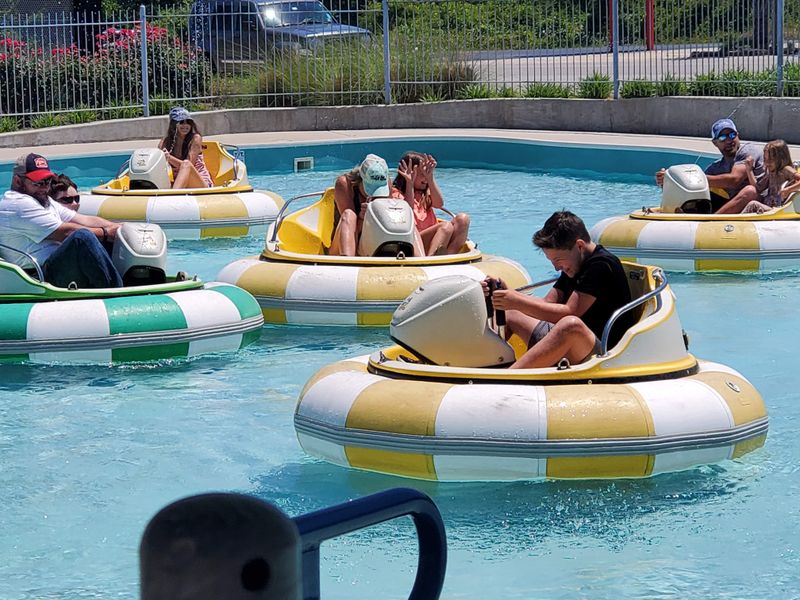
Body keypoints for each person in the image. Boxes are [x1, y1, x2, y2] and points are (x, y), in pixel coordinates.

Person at [485, 211, 633, 369]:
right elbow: (547, 302)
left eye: (558, 260)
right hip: (568, 345)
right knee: (511, 313)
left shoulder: (602, 265)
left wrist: (517, 301)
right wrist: (511, 295)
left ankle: (506, 378)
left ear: (579, 246)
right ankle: (489, 364)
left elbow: (570, 312)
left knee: (571, 325)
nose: (556, 267)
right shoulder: (574, 264)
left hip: (600, 354)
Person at [0, 153, 123, 288]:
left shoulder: (44, 200)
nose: (45, 188)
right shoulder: (17, 203)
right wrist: (106, 232)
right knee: (82, 237)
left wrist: (119, 228)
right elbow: (66, 232)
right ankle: (116, 290)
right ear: (18, 181)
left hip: (54, 265)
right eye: (39, 183)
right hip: (38, 275)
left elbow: (83, 219)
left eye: (47, 182)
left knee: (104, 237)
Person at [655, 118, 764, 214]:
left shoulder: (748, 151)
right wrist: (670, 181)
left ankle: (710, 221)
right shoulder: (716, 167)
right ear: (715, 143)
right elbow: (694, 188)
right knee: (701, 196)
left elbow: (734, 180)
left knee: (750, 191)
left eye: (732, 135)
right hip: (734, 206)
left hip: (760, 201)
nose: (729, 140)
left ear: (738, 135)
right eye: (722, 137)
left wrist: (692, 178)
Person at [330, 153, 424, 257]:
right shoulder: (345, 184)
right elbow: (348, 224)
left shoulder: (386, 183)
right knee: (349, 214)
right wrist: (364, 218)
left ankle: (421, 261)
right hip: (342, 244)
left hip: (374, 243)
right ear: (361, 178)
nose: (374, 194)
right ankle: (347, 262)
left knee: (408, 223)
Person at [391, 151, 470, 255]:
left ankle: (450, 256)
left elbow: (439, 204)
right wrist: (409, 183)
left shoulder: (425, 194)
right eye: (421, 174)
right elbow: (407, 211)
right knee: (445, 227)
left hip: (436, 238)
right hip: (414, 241)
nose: (425, 178)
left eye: (426, 173)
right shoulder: (396, 193)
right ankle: (431, 260)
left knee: (463, 219)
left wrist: (430, 178)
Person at [158, 106, 214, 189]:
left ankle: (173, 196)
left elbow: (189, 165)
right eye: (181, 122)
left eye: (188, 122)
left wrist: (169, 158)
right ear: (174, 124)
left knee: (186, 164)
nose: (185, 125)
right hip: (179, 184)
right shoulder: (165, 142)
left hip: (200, 183)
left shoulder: (195, 139)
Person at [741, 139, 800, 213]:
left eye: (771, 159)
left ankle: (736, 219)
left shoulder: (786, 170)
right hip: (769, 207)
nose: (767, 163)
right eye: (765, 159)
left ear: (781, 158)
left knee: (753, 204)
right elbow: (758, 188)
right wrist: (749, 170)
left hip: (778, 210)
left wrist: (788, 190)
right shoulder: (771, 173)